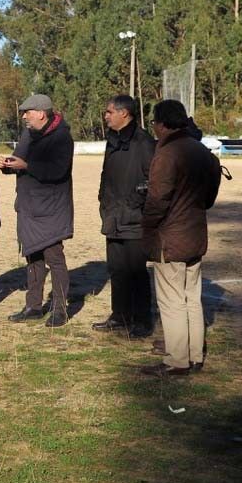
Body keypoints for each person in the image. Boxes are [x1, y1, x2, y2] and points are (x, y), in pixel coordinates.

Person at [140, 100, 222, 376]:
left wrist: (147, 229)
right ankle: (194, 355)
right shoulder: (204, 153)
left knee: (171, 300)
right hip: (195, 233)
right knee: (191, 298)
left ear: (161, 125)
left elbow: (157, 200)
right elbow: (209, 199)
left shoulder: (166, 154)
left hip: (170, 238)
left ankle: (176, 360)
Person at [0, 94, 74, 327]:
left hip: (52, 209)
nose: (23, 116)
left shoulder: (62, 137)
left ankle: (60, 310)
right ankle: (33, 306)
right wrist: (7, 165)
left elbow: (57, 171)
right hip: (29, 207)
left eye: (27, 112)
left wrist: (26, 166)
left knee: (54, 259)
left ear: (41, 113)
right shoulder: (28, 134)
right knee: (33, 258)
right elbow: (19, 160)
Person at [93, 95, 156, 338]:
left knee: (137, 272)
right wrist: (103, 202)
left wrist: (132, 205)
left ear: (124, 114)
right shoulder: (112, 141)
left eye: (109, 111)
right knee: (117, 270)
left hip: (134, 219)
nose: (106, 115)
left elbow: (152, 181)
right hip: (112, 217)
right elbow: (105, 174)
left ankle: (142, 320)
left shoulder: (144, 143)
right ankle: (119, 316)